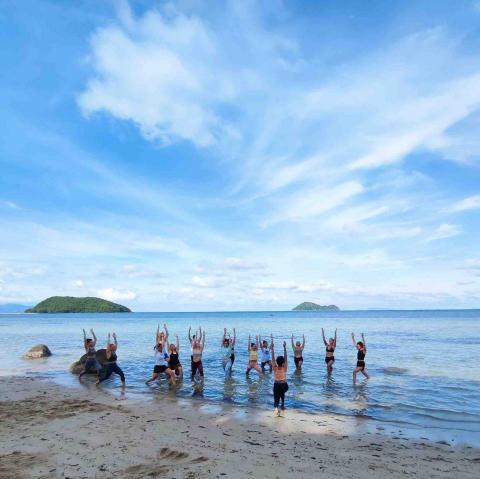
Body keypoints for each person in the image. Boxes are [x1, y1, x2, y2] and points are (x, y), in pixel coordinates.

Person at [271, 335, 288, 417]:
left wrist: (272, 349)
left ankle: (276, 408)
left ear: (277, 362)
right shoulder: (285, 368)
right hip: (284, 385)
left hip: (276, 385)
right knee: (282, 394)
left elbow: (273, 358)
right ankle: (283, 405)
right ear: (283, 362)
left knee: (276, 398)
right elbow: (286, 357)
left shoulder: (275, 368)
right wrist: (284, 347)